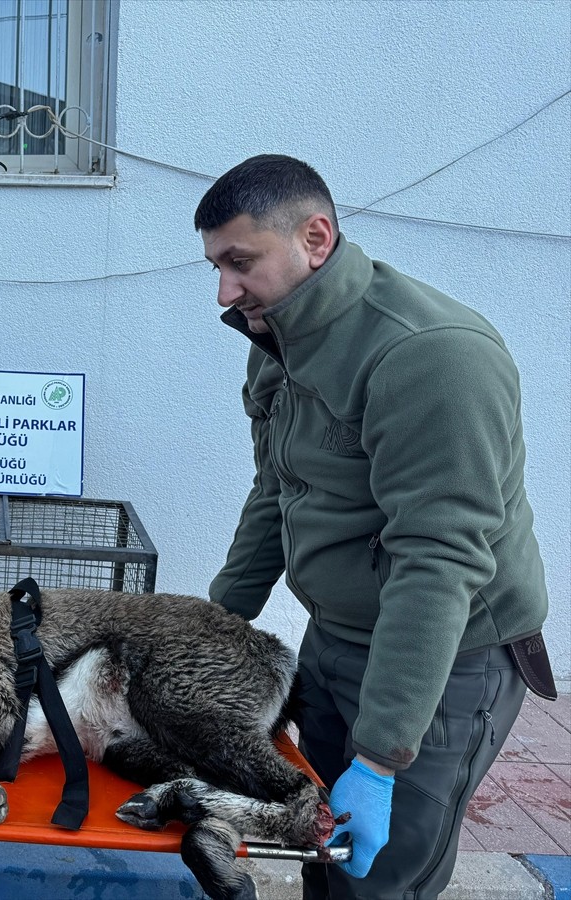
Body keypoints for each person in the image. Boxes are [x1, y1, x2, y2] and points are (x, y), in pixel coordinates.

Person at [196, 154, 553, 899]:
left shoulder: (430, 355)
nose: (225, 291)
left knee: (381, 881)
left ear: (315, 239)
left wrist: (385, 756)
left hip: (446, 660)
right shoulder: (279, 341)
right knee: (323, 855)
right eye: (215, 266)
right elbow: (277, 491)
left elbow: (439, 560)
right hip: (336, 637)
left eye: (240, 262)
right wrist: (210, 625)